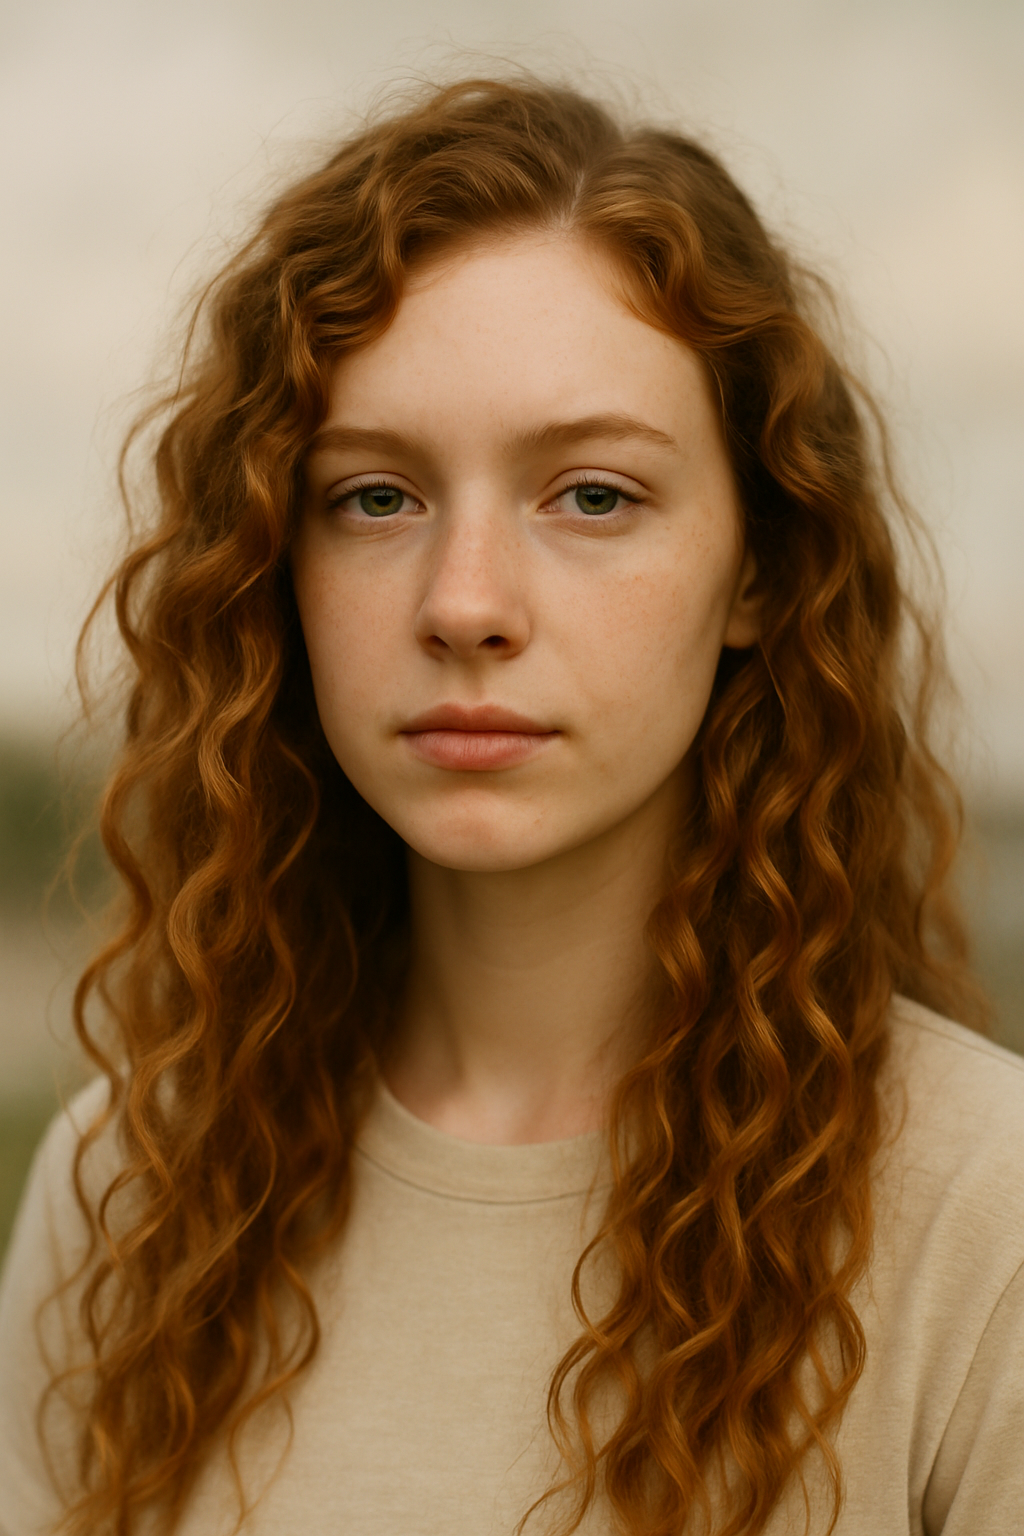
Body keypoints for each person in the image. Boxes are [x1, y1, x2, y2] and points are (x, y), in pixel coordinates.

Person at [0, 74, 1021, 1536]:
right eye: (374, 498)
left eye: (593, 496)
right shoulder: (130, 1188)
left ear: (760, 570)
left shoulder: (981, 1222)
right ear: (272, 571)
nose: (465, 603)